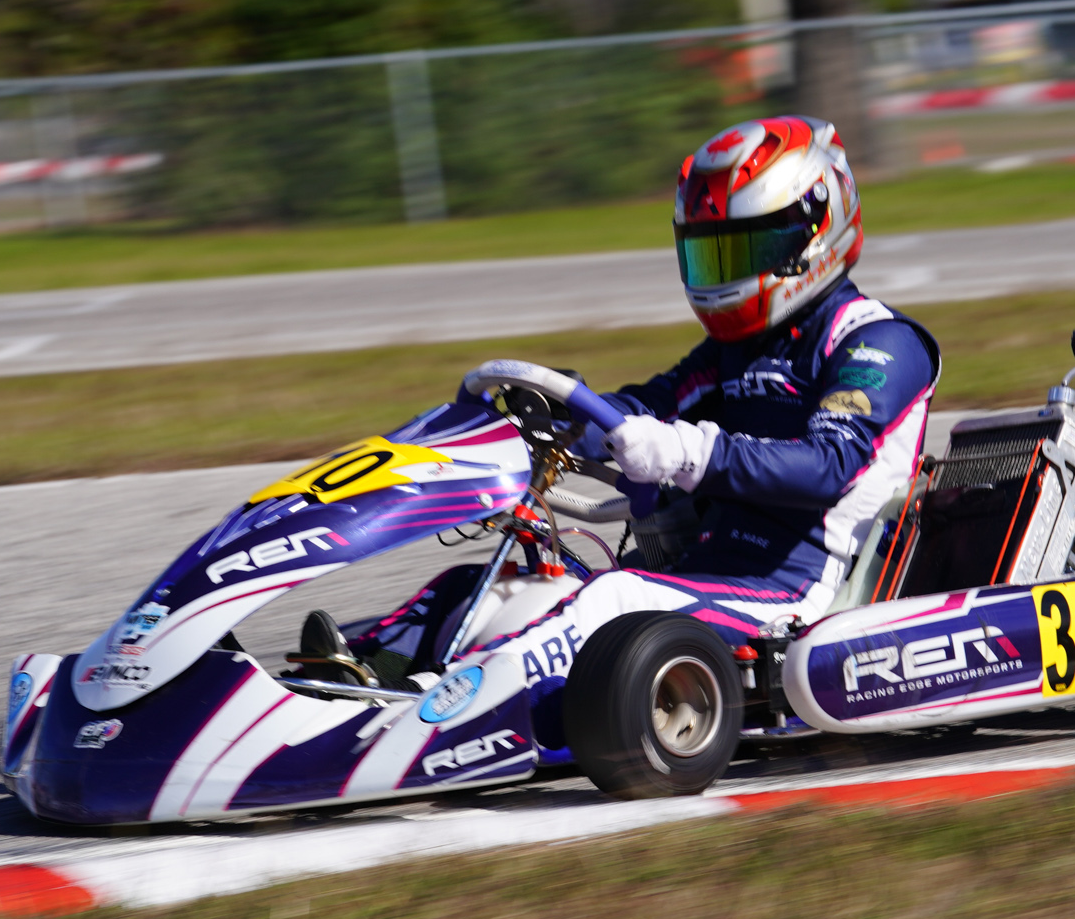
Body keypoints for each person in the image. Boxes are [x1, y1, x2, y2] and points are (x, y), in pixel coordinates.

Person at [296, 115, 941, 707]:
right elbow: (644, 406)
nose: (723, 273)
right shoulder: (734, 352)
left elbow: (829, 467)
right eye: (710, 252)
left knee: (614, 597)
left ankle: (447, 703)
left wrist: (686, 451)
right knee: (500, 587)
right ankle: (352, 674)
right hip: (702, 575)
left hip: (793, 595)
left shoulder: (877, 342)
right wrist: (559, 414)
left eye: (741, 251)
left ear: (810, 232)